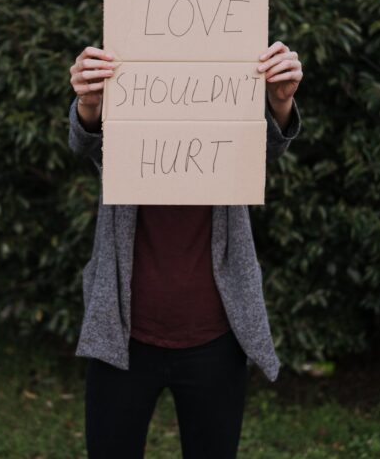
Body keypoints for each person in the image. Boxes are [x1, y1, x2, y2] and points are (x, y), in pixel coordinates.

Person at [68, 41, 303, 458]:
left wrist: (280, 102)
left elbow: (268, 144)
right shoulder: (125, 112)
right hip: (122, 334)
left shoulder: (229, 130)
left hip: (216, 336)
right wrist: (88, 103)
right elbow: (86, 142)